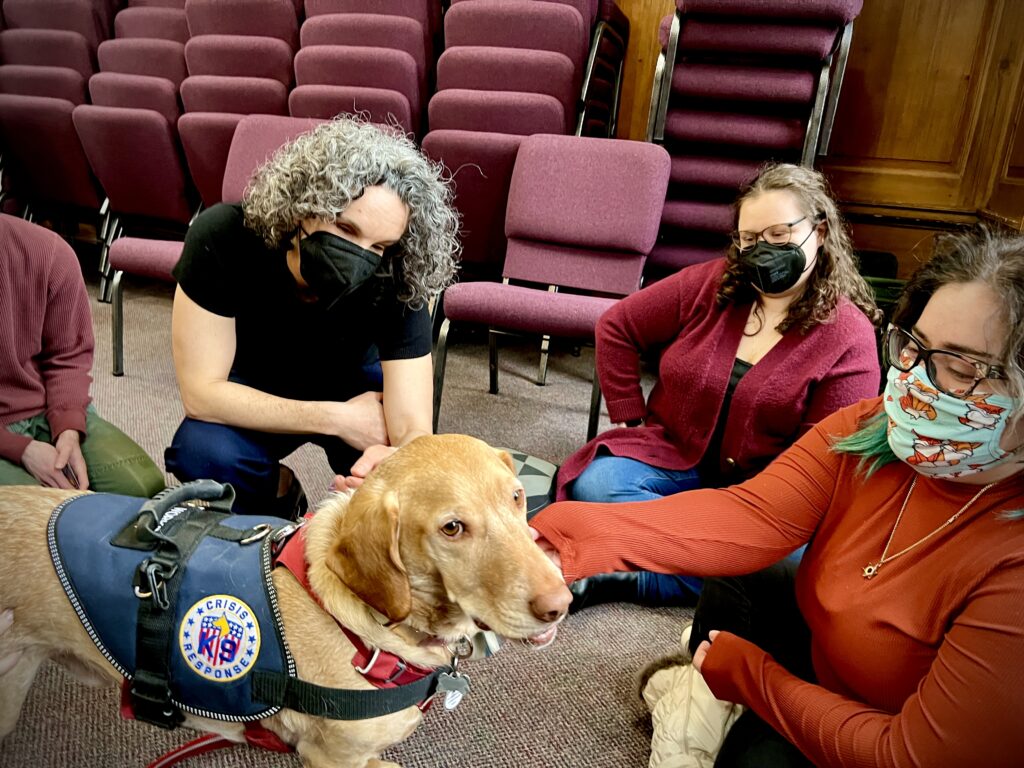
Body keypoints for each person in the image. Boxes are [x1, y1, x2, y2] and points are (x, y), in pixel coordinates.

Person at [531, 226, 1024, 767]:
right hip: (828, 663)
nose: (916, 382)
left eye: (962, 369)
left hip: (887, 734)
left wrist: (755, 680)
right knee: (735, 568)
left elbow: (911, 755)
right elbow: (749, 516)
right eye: (914, 346)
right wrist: (558, 541)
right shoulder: (874, 429)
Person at [562, 163, 881, 609]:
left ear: (820, 233)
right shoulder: (710, 284)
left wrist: (741, 517)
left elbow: (825, 460)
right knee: (599, 484)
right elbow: (617, 326)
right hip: (675, 457)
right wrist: (629, 416)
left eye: (778, 235)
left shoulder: (849, 336)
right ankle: (692, 554)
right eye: (749, 239)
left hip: (764, 493)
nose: (762, 250)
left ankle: (632, 577)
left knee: (791, 561)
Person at [164, 118, 459, 517]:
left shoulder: (399, 273)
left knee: (405, 469)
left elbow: (413, 431)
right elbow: (202, 394)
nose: (359, 257)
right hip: (254, 381)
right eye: (346, 228)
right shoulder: (222, 236)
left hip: (353, 380)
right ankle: (278, 494)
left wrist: (390, 465)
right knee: (203, 453)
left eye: (380, 245)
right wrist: (337, 419)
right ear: (304, 207)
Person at [0, 214, 165, 496]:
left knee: (142, 490)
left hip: (39, 408)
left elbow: (68, 356)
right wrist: (20, 449)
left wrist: (68, 428)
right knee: (40, 517)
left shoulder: (49, 252)